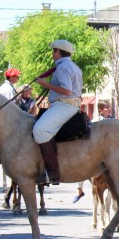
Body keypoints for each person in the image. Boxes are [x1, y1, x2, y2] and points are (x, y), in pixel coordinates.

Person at [32, 40, 83, 185]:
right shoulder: (72, 66)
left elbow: (66, 91)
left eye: (53, 51)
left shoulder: (63, 67)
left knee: (39, 129)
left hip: (64, 105)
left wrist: (45, 84)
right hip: (67, 105)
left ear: (58, 52)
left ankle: (52, 173)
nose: (52, 53)